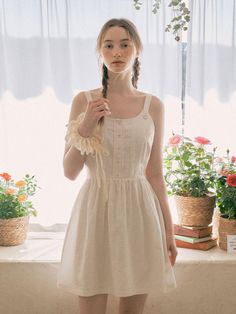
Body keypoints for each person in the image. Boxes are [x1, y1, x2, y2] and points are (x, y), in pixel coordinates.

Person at [57, 18, 178, 314]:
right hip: (95, 210)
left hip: (140, 214)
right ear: (100, 51)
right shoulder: (84, 100)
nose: (117, 52)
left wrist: (169, 232)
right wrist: (85, 126)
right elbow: (69, 172)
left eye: (125, 44)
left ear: (137, 49)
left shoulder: (154, 106)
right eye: (108, 45)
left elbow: (155, 174)